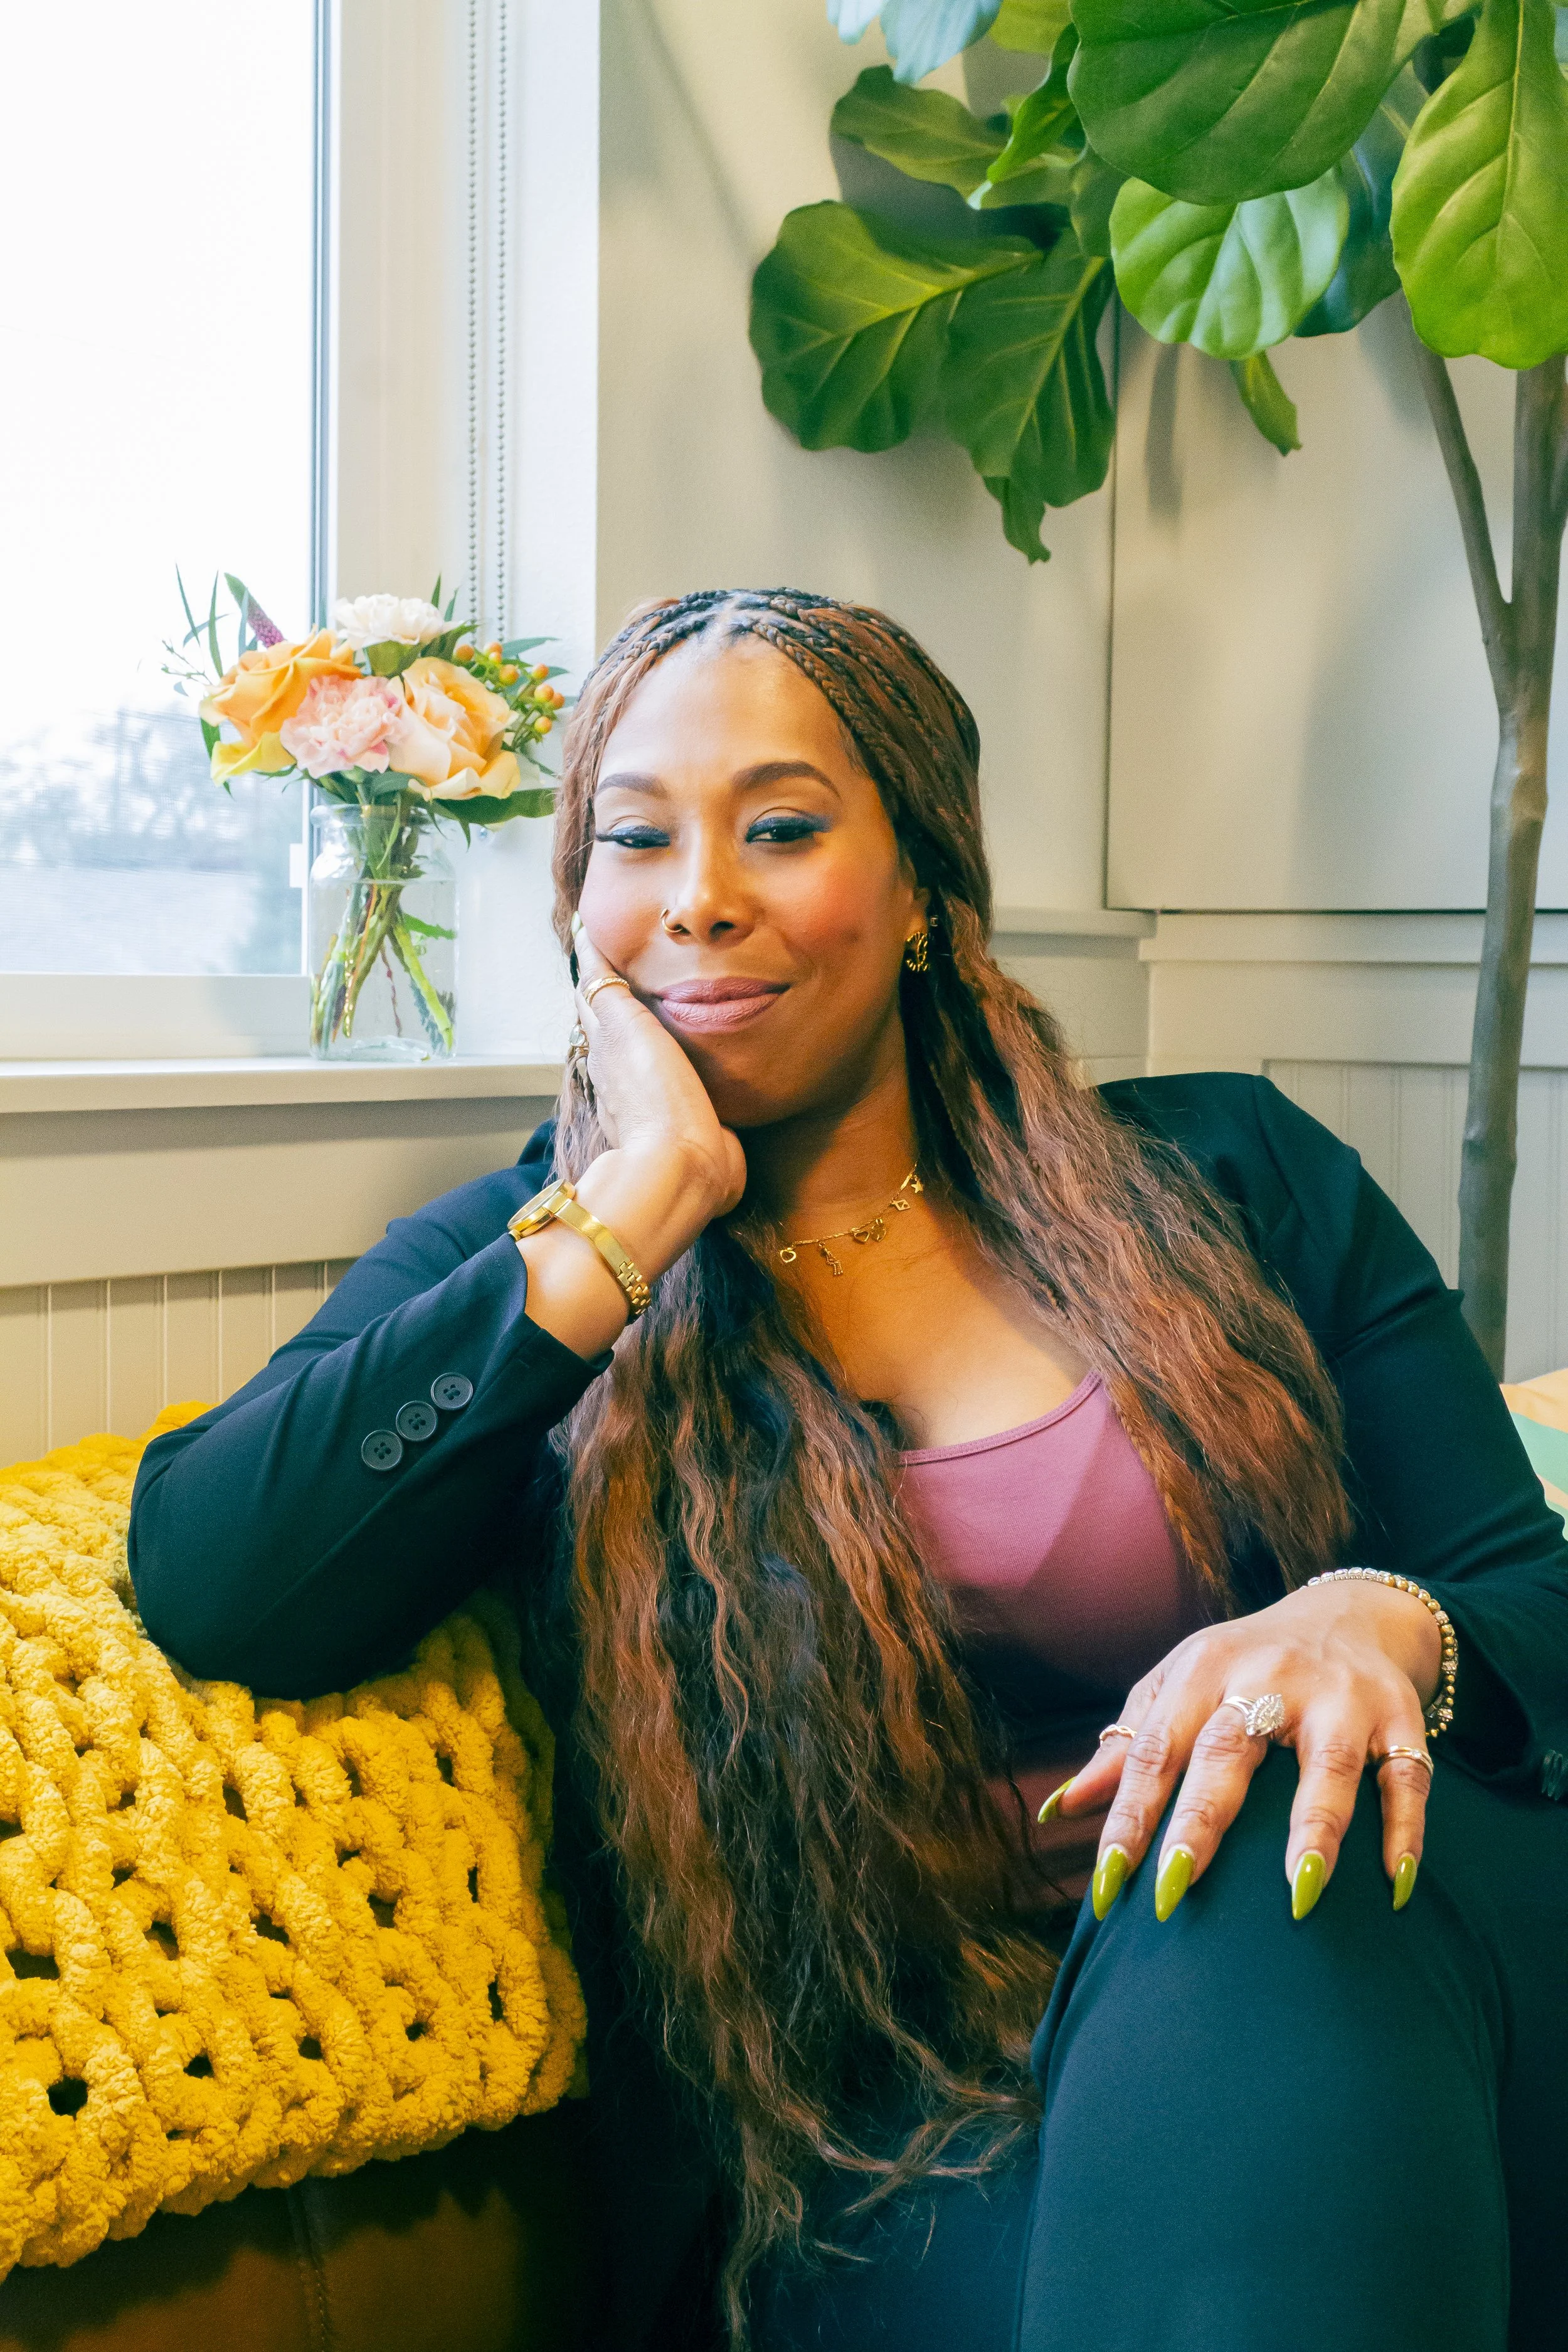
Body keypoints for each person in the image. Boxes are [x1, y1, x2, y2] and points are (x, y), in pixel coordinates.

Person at [130, 589, 1568, 2352]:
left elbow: (1531, 1590)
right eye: (633, 839)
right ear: (579, 909)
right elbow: (219, 1572)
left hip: (1358, 1990)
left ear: (920, 891)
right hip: (895, 2154)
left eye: (783, 826)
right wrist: (636, 1208)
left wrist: (1358, 1621)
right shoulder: (539, 1273)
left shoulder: (1233, 1179)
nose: (700, 894)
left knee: (1267, 1795)